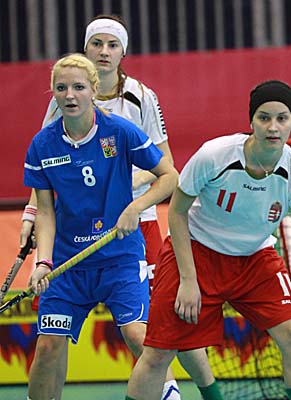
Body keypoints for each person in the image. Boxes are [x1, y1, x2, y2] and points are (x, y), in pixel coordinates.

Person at [20, 15, 222, 400]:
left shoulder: (140, 99)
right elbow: (46, 180)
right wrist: (33, 223)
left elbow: (167, 168)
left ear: (122, 52)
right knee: (49, 345)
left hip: (134, 227)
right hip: (74, 240)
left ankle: (185, 390)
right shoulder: (59, 111)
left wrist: (126, 192)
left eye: (112, 45)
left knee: (157, 325)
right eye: (96, 44)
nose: (103, 51)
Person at [125, 80, 291, 400]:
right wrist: (188, 279)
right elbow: (177, 212)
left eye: (282, 118)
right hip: (197, 251)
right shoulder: (215, 155)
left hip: (255, 259)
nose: (273, 127)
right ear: (251, 121)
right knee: (158, 353)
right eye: (264, 118)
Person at [24, 53, 178, 399]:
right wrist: (43, 262)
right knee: (48, 347)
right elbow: (45, 212)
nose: (70, 95)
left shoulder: (120, 131)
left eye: (79, 87)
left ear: (93, 90)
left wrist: (136, 208)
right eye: (61, 88)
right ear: (53, 93)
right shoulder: (42, 145)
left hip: (119, 257)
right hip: (67, 263)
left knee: (138, 336)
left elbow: (170, 176)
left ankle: (170, 394)